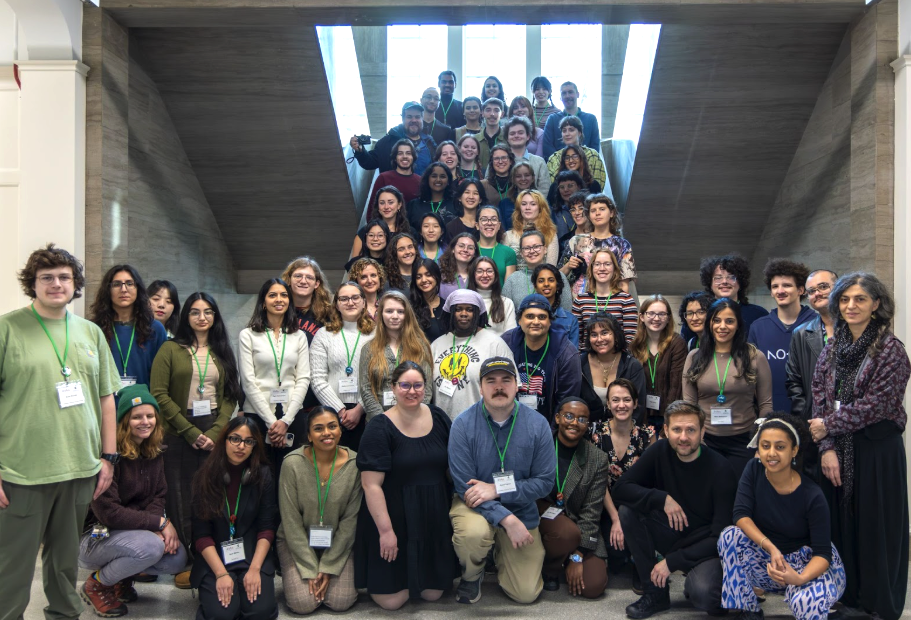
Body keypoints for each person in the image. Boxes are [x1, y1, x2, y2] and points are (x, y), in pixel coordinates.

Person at [0, 245, 120, 620]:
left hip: (79, 467)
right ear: (32, 284)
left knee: (65, 563)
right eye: (46, 277)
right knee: (13, 565)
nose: (56, 284)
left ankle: (65, 615)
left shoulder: (90, 333)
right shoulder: (6, 329)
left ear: (76, 284)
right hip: (21, 471)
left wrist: (108, 457)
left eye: (64, 277)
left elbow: (106, 400)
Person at [809, 272, 909, 620]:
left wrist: (827, 427)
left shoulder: (891, 349)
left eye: (860, 299)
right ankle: (847, 598)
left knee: (876, 528)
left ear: (876, 304)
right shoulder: (831, 348)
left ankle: (879, 604)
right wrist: (827, 449)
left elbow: (878, 405)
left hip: (877, 451)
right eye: (845, 299)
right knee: (841, 526)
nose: (851, 306)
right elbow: (819, 399)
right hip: (837, 451)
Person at [613, 400, 737, 619]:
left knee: (705, 596)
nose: (683, 437)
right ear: (666, 431)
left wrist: (673, 562)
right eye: (677, 430)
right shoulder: (660, 451)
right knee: (628, 512)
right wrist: (661, 499)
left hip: (705, 546)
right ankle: (655, 594)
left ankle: (698, 580)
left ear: (702, 432)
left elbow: (720, 537)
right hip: (672, 533)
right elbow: (621, 489)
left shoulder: (721, 468)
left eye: (691, 430)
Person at [150, 291, 241, 587]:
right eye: (195, 312)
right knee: (180, 495)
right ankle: (188, 561)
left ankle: (212, 556)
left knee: (211, 493)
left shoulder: (222, 349)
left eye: (208, 312)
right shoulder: (170, 349)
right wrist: (190, 432)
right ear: (186, 317)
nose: (202, 317)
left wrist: (214, 433)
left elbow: (230, 396)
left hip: (214, 429)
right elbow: (159, 394)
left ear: (215, 316)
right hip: (178, 430)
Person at [448, 357, 556, 604]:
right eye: (491, 381)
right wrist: (506, 518)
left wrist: (497, 490)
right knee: (473, 535)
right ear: (481, 386)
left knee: (526, 594)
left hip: (520, 508)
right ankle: (472, 574)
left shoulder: (538, 425)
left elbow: (545, 482)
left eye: (506, 380)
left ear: (517, 385)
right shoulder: (462, 424)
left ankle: (499, 552)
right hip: (473, 505)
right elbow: (466, 486)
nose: (499, 387)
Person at [718, 414, 846, 620]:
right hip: (772, 563)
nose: (771, 453)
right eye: (765, 446)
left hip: (810, 566)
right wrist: (771, 547)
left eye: (780, 447)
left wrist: (799, 578)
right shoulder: (753, 470)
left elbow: (823, 554)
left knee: (804, 603)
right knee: (730, 536)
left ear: (794, 450)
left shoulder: (812, 494)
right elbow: (740, 515)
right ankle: (748, 611)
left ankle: (819, 605)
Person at [355, 362, 459, 609]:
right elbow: (371, 486)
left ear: (425, 387)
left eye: (417, 385)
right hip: (393, 516)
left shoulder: (439, 417)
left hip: (432, 514)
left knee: (433, 593)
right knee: (393, 601)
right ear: (393, 388)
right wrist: (385, 532)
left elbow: (453, 465)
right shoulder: (379, 427)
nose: (411, 391)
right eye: (405, 385)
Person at [78, 385, 188, 617]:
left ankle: (122, 578)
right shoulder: (109, 457)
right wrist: (159, 524)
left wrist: (155, 524)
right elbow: (109, 513)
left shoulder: (154, 451)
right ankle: (97, 584)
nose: (145, 421)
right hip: (95, 535)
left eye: (150, 416)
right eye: (136, 417)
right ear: (124, 421)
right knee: (151, 546)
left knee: (176, 558)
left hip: (130, 533)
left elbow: (158, 495)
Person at [276, 407, 362, 615]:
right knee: (302, 603)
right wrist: (311, 569)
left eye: (332, 426)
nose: (326, 433)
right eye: (318, 428)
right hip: (296, 541)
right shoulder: (292, 464)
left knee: (341, 600)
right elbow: (290, 522)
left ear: (341, 431)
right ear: (308, 435)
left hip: (339, 543)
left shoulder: (356, 465)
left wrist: (328, 566)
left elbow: (350, 522)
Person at [189, 418, 277, 620]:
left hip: (251, 555)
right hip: (216, 558)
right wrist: (221, 574)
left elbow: (266, 529)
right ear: (224, 440)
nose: (241, 446)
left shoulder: (263, 475)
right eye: (235, 439)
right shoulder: (204, 476)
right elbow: (201, 536)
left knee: (260, 612)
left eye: (248, 441)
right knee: (222, 615)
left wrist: (255, 569)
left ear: (255, 446)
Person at [683, 298, 773, 477]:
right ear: (709, 323)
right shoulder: (694, 357)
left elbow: (766, 406)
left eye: (729, 321)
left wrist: (759, 444)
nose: (722, 326)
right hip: (705, 441)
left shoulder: (755, 356)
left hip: (744, 442)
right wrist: (696, 440)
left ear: (738, 324)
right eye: (717, 320)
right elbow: (689, 405)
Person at [538, 397, 610, 598]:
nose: (574, 423)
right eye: (569, 416)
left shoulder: (597, 459)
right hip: (542, 517)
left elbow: (592, 511)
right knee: (564, 533)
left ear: (588, 425)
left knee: (593, 586)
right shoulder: (540, 446)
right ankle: (551, 569)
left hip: (580, 525)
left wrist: (578, 556)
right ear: (558, 418)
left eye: (582, 419)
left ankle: (568, 557)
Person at [239, 278, 311, 478]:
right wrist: (272, 423)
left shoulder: (299, 336)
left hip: (292, 415)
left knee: (291, 477)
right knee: (260, 478)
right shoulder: (248, 335)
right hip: (258, 417)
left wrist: (286, 421)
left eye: (283, 295)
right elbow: (248, 381)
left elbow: (303, 379)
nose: (279, 299)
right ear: (263, 302)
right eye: (272, 295)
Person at [589, 378, 656, 569]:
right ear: (608, 404)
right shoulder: (596, 435)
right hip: (606, 503)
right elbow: (598, 482)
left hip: (637, 505)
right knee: (616, 557)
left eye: (627, 400)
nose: (621, 405)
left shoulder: (647, 435)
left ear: (635, 403)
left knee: (636, 548)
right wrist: (616, 518)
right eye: (615, 400)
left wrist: (628, 515)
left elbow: (650, 481)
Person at [309, 282, 376, 452]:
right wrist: (339, 410)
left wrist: (360, 409)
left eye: (355, 297)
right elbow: (317, 379)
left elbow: (379, 376)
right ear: (337, 304)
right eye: (344, 299)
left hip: (368, 410)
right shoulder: (323, 334)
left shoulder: (376, 333)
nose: (350, 302)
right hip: (332, 414)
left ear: (363, 302)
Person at [785, 269, 838, 479]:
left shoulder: (856, 330)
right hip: (814, 426)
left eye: (823, 287)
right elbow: (793, 381)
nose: (817, 294)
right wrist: (808, 417)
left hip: (852, 425)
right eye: (811, 291)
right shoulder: (801, 334)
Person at [430, 289, 514, 420]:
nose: (464, 314)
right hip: (442, 427)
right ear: (451, 313)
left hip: (482, 425)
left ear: (477, 314)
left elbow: (511, 388)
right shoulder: (436, 345)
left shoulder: (495, 344)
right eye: (458, 309)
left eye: (469, 309)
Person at [502, 294, 582, 424]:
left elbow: (566, 402)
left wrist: (551, 433)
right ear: (519, 320)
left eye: (542, 317)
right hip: (509, 421)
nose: (536, 322)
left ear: (550, 321)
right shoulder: (506, 343)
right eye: (529, 316)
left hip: (549, 424)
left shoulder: (566, 353)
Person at [748, 259, 815, 412]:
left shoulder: (816, 324)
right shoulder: (758, 327)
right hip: (770, 411)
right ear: (771, 292)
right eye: (775, 286)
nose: (780, 290)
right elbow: (751, 374)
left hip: (810, 412)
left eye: (787, 285)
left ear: (801, 290)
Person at [91, 264, 168, 393]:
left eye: (129, 283)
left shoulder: (155, 329)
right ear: (107, 290)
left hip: (144, 406)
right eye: (116, 284)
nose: (124, 289)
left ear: (138, 288)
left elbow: (163, 376)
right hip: (106, 404)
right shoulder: (94, 329)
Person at [359, 291, 433, 420]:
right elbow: (366, 390)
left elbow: (426, 388)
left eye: (400, 311)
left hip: (414, 421)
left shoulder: (420, 347)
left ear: (407, 315)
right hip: (378, 422)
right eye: (389, 311)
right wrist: (382, 421)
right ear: (381, 314)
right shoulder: (368, 348)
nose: (395, 316)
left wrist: (412, 417)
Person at [630, 295, 688, 432]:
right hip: (641, 415)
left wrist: (668, 422)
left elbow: (676, 385)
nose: (656, 318)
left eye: (662, 314)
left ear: (668, 318)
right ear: (642, 317)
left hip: (668, 416)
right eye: (651, 313)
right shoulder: (634, 345)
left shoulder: (677, 343)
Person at [560, 193, 636, 297]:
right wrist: (568, 265)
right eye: (593, 210)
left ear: (612, 213)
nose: (597, 213)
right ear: (589, 215)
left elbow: (624, 284)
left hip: (611, 300)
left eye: (602, 209)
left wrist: (619, 306)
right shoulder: (576, 241)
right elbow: (557, 275)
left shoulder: (622, 245)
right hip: (579, 300)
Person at [579, 313, 647, 425]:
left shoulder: (632, 366)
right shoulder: (579, 364)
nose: (599, 339)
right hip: (586, 432)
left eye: (604, 333)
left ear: (616, 335)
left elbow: (638, 408)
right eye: (594, 335)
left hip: (623, 432)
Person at [572, 248, 638, 349]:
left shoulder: (626, 300)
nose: (602, 268)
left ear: (614, 269)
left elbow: (630, 340)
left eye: (607, 264)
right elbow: (577, 339)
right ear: (592, 269)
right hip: (588, 360)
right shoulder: (580, 300)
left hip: (618, 360)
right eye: (597, 264)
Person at [350, 101, 436, 175]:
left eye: (417, 117)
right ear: (402, 119)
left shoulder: (430, 143)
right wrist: (360, 151)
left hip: (424, 193)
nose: (414, 120)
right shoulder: (388, 142)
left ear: (422, 119)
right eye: (409, 117)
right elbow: (370, 163)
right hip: (395, 193)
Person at [697, 253, 769, 336]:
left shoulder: (758, 315)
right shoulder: (699, 315)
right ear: (710, 283)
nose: (724, 282)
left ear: (740, 281)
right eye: (718, 278)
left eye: (731, 277)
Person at [503, 230, 574, 312]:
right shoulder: (513, 279)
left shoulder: (558, 276)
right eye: (526, 248)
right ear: (521, 253)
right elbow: (506, 312)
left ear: (545, 249)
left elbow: (567, 311)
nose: (532, 251)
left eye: (536, 246)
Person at [546, 116, 609, 193]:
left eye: (571, 130)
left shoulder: (592, 155)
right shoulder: (554, 158)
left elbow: (598, 184)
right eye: (564, 131)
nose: (567, 134)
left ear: (579, 133)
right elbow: (553, 187)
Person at [542, 81, 602, 157]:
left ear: (578, 94)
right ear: (560, 97)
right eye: (564, 93)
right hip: (558, 166)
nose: (567, 96)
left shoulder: (591, 119)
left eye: (570, 92)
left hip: (586, 165)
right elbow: (547, 148)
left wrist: (580, 164)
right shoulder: (552, 119)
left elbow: (595, 147)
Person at [503, 189, 560, 269]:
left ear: (540, 208)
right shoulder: (508, 236)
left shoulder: (550, 234)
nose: (527, 208)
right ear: (519, 208)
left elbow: (551, 268)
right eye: (523, 204)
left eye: (533, 204)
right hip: (515, 279)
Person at [366, 141, 421, 215]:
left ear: (413, 157)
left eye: (408, 153)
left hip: (412, 225)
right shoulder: (383, 178)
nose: (404, 156)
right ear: (395, 158)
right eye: (400, 153)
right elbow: (372, 209)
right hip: (386, 225)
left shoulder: (420, 181)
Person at [355, 186, 410, 260]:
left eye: (390, 202)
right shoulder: (364, 231)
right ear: (377, 206)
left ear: (399, 205)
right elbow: (354, 266)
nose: (386, 207)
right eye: (382, 203)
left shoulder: (409, 232)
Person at [532, 263, 580, 347]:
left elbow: (573, 355)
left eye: (551, 280)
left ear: (557, 285)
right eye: (541, 281)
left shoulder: (570, 320)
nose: (546, 284)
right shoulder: (527, 317)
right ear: (535, 286)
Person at [502, 116, 551, 196]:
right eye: (512, 133)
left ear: (528, 136)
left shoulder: (539, 162)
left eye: (520, 133)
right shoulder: (500, 161)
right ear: (507, 138)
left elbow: (545, 189)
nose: (516, 136)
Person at [468, 256, 516, 336]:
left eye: (489, 271)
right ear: (473, 275)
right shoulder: (464, 302)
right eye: (480, 271)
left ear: (495, 275)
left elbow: (510, 336)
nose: (485, 275)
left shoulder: (507, 303)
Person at [406, 162, 457, 232]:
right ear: (427, 179)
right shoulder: (413, 205)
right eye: (434, 176)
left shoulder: (456, 204)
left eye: (442, 176)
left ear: (448, 181)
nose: (438, 180)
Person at [477, 205, 517, 285]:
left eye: (494, 219)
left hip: (500, 297)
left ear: (499, 225)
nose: (489, 223)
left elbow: (508, 288)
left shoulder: (508, 252)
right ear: (477, 225)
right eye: (484, 219)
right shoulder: (470, 250)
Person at [410, 258, 447, 343]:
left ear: (437, 276)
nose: (423, 280)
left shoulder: (447, 306)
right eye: (418, 277)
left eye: (428, 275)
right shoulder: (409, 307)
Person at [480, 144, 516, 223]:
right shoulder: (482, 185)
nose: (500, 161)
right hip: (489, 226)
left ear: (511, 161)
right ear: (491, 162)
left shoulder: (517, 184)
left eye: (504, 158)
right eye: (496, 159)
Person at [438, 232, 480, 298]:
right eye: (461, 246)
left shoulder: (478, 275)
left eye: (470, 248)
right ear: (453, 249)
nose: (465, 250)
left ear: (474, 253)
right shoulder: (440, 273)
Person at [556, 190, 593, 255]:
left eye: (581, 208)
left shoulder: (599, 235)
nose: (576, 213)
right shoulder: (564, 241)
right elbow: (560, 264)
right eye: (573, 209)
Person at [477, 97, 505, 172]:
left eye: (496, 110)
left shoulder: (508, 139)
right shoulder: (474, 140)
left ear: (502, 114)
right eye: (488, 110)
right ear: (482, 113)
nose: (492, 114)